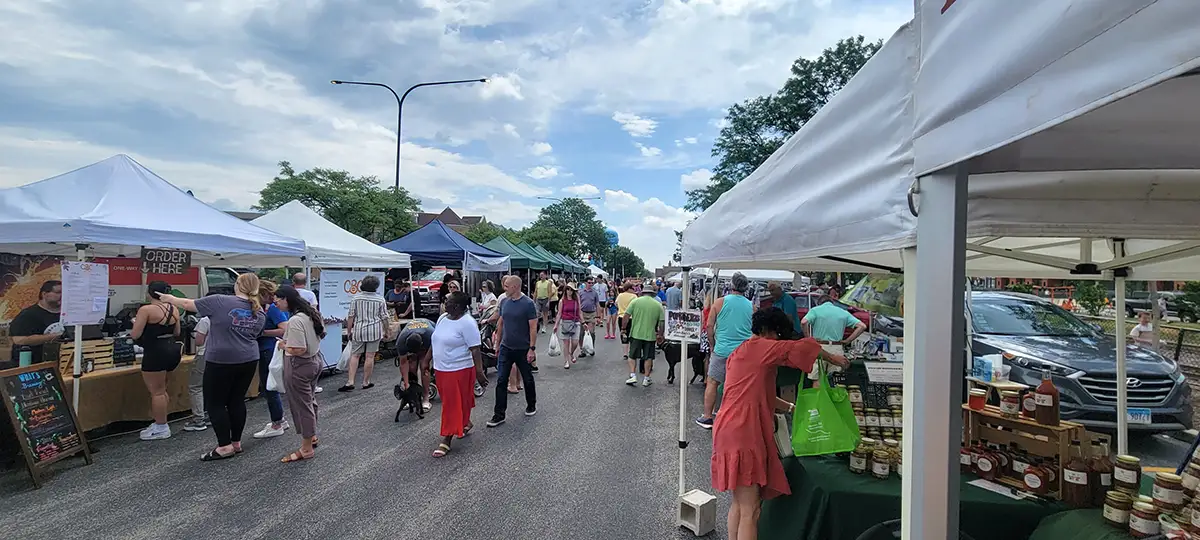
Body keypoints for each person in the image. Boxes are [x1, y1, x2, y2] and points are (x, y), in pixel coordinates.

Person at [712, 308, 850, 540]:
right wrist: (834, 358)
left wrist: (792, 408)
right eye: (778, 335)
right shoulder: (764, 347)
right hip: (744, 430)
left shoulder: (741, 351)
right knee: (751, 511)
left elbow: (759, 394)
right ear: (769, 330)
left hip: (727, 428)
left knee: (739, 504)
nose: (779, 340)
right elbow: (805, 347)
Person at [158, 273, 267, 462]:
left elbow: (188, 304)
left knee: (215, 402)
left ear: (238, 285)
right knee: (236, 400)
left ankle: (224, 446)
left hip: (221, 359)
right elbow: (256, 335)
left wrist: (169, 298)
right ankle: (236, 442)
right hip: (248, 358)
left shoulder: (219, 301)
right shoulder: (260, 312)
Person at [431, 291, 489, 457]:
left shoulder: (467, 323)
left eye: (447, 301)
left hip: (459, 369)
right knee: (454, 401)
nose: (445, 303)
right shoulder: (443, 318)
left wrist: (479, 372)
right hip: (441, 368)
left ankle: (447, 438)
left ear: (456, 306)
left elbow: (475, 349)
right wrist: (427, 359)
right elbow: (435, 339)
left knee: (451, 404)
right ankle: (465, 422)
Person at [273, 285, 326, 463]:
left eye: (277, 301)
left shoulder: (296, 320)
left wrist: (283, 345)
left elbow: (298, 349)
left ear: (286, 300)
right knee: (309, 401)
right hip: (314, 361)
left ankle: (306, 448)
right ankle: (311, 436)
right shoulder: (311, 313)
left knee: (302, 406)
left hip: (299, 365)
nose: (275, 304)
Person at [696, 272, 755, 430]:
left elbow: (709, 326)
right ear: (746, 287)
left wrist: (712, 344)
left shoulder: (719, 302)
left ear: (731, 285)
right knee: (739, 385)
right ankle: (736, 416)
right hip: (743, 352)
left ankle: (707, 417)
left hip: (721, 350)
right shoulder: (752, 306)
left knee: (713, 382)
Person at [132, 281, 182, 441]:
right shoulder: (174, 308)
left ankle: (161, 426)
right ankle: (161, 421)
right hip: (172, 350)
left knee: (157, 392)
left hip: (155, 351)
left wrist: (136, 323)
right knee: (162, 389)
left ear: (150, 293)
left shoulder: (146, 310)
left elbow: (135, 334)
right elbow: (177, 332)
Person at [487, 275, 538, 427]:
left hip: (523, 348)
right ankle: (499, 414)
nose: (505, 289)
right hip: (506, 347)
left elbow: (533, 327)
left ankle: (531, 404)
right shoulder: (504, 302)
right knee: (501, 380)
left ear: (515, 287)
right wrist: (497, 344)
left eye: (507, 286)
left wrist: (532, 349)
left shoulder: (528, 304)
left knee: (527, 378)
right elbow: (501, 323)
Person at [252, 281, 290, 438]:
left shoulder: (272, 309)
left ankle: (277, 423)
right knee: (270, 386)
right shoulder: (270, 308)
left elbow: (284, 328)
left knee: (270, 387)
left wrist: (262, 332)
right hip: (267, 349)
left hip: (268, 349)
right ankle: (280, 420)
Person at [801, 295, 866, 385]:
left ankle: (818, 394)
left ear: (819, 303)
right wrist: (848, 341)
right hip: (837, 348)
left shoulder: (815, 310)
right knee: (835, 380)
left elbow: (803, 322)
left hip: (819, 347)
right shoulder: (843, 312)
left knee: (817, 379)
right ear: (832, 302)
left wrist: (808, 338)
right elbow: (862, 326)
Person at [341, 275, 390, 392]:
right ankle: (366, 382)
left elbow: (351, 316)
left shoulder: (356, 298)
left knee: (355, 355)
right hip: (374, 330)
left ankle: (350, 381)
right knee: (370, 356)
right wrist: (387, 330)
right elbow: (384, 317)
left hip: (359, 329)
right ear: (376, 286)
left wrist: (349, 331)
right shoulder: (380, 300)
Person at [7, 280, 63, 368]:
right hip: (32, 365)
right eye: (58, 292)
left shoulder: (67, 314)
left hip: (61, 363)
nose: (62, 295)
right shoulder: (28, 315)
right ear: (44, 294)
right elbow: (18, 340)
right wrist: (55, 336)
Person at [623, 286, 666, 386]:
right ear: (652, 294)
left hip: (636, 333)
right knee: (648, 357)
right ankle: (646, 378)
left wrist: (623, 328)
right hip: (650, 335)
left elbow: (626, 316)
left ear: (643, 293)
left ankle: (633, 375)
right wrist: (660, 335)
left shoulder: (635, 302)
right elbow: (662, 322)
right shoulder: (658, 305)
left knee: (632, 356)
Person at [396, 318, 435, 413]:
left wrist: (429, 367)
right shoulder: (401, 341)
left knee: (424, 367)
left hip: (427, 340)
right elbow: (403, 363)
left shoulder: (431, 335)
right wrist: (406, 383)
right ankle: (413, 396)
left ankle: (426, 398)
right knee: (412, 367)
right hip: (414, 336)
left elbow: (437, 353)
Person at [182, 314, 211, 431]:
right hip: (218, 355)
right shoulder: (224, 317)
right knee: (212, 385)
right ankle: (211, 414)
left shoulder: (205, 320)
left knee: (196, 386)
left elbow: (199, 341)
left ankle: (198, 419)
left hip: (204, 354)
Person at [554, 284, 582, 368]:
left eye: (571, 290)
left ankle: (571, 353)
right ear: (565, 290)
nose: (569, 291)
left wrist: (583, 322)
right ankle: (566, 361)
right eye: (568, 289)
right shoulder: (562, 301)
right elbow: (559, 313)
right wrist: (556, 325)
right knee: (566, 343)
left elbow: (579, 312)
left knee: (575, 342)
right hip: (565, 322)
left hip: (575, 322)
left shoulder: (576, 301)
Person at [615, 283, 637, 360]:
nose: (634, 290)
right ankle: (632, 351)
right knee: (632, 334)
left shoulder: (620, 295)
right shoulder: (634, 296)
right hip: (631, 317)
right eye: (633, 288)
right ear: (629, 288)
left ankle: (625, 353)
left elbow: (616, 304)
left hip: (621, 316)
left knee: (623, 334)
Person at [578, 278, 600, 353]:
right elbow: (578, 304)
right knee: (581, 333)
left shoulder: (594, 293)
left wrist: (598, 316)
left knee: (591, 332)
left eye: (592, 283)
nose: (591, 284)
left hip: (592, 313)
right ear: (585, 283)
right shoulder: (580, 292)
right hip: (582, 313)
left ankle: (591, 348)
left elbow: (597, 304)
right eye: (589, 283)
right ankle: (582, 349)